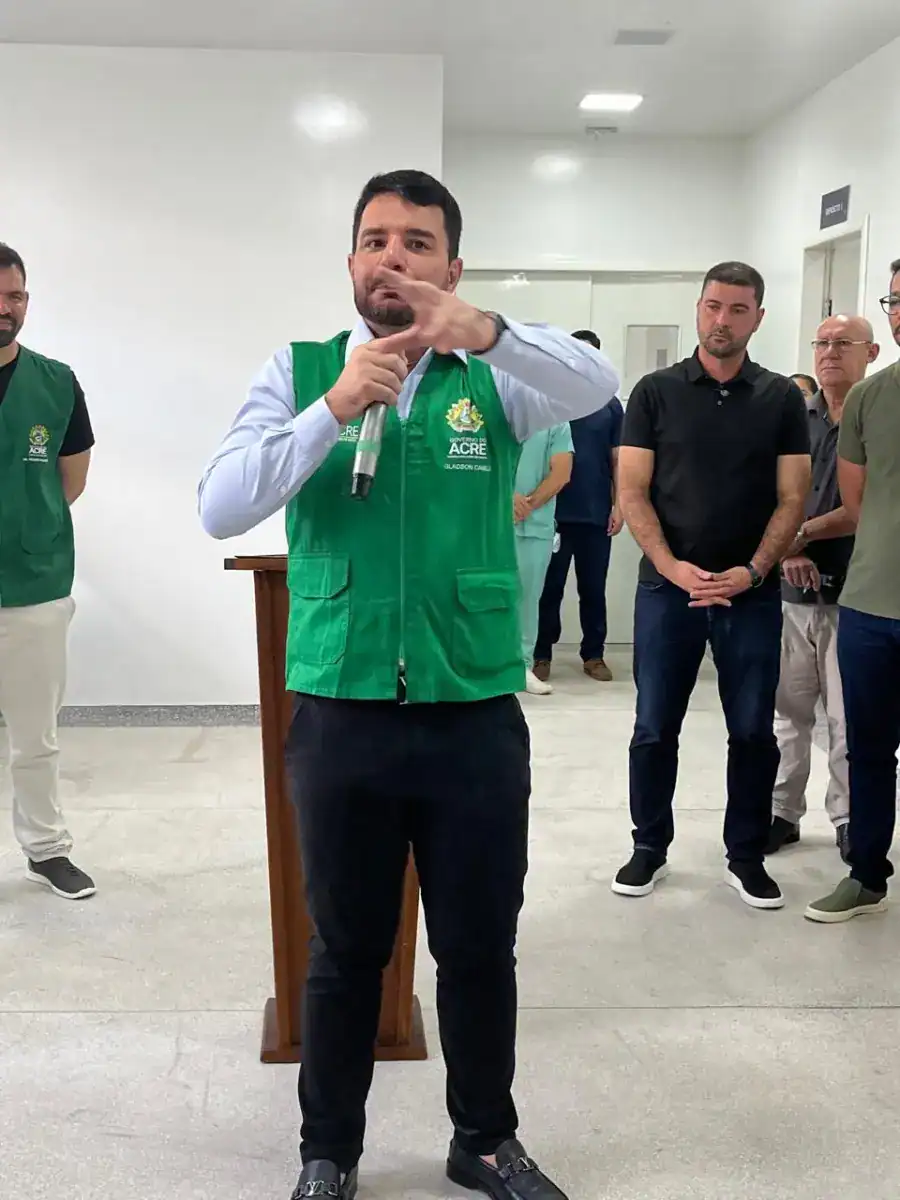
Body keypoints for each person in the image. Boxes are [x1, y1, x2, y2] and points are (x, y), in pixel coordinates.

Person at [197, 170, 619, 1200]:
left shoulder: (497, 377)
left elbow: (597, 388)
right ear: (351, 262)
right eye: (376, 239)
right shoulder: (299, 371)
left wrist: (490, 332)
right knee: (346, 948)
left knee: (479, 945)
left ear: (452, 268)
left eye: (418, 242)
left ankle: (485, 1139)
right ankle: (328, 1152)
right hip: (342, 706)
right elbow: (219, 506)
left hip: (471, 707)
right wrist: (330, 411)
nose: (394, 257)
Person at [613, 261, 811, 910]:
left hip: (749, 593)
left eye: (737, 309)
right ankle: (649, 847)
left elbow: (793, 496)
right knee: (653, 726)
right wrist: (672, 567)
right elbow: (633, 490)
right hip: (667, 589)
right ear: (698, 308)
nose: (721, 320)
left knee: (752, 730)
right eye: (712, 306)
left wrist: (753, 570)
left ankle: (745, 856)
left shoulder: (781, 398)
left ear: (758, 317)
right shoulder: (654, 393)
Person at [0, 243, 96, 900]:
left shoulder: (57, 383)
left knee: (35, 735)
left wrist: (26, 527)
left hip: (33, 585)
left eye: (16, 296)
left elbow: (71, 481)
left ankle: (45, 848)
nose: (6, 308)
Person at [806, 260, 900, 923]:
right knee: (867, 749)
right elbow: (859, 503)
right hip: (870, 605)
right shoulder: (870, 397)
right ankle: (866, 873)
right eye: (895, 300)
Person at [767, 315, 879, 863]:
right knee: (787, 714)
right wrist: (787, 551)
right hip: (790, 595)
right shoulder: (792, 418)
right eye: (822, 343)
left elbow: (869, 505)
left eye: (843, 343)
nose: (830, 352)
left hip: (856, 594)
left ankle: (849, 818)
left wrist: (802, 533)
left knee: (847, 718)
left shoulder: (878, 416)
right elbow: (768, 492)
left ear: (871, 353)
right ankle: (781, 813)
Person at [534, 330, 624, 684]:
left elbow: (618, 460)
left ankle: (594, 654)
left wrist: (619, 505)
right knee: (548, 589)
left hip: (596, 514)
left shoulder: (610, 406)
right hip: (552, 513)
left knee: (593, 589)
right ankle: (541, 654)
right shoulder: (548, 401)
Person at [513, 424, 574, 696]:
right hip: (490, 523)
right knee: (483, 597)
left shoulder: (556, 420)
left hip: (535, 526)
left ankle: (522, 666)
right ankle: (483, 666)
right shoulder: (491, 408)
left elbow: (561, 473)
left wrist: (528, 504)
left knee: (528, 599)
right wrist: (503, 496)